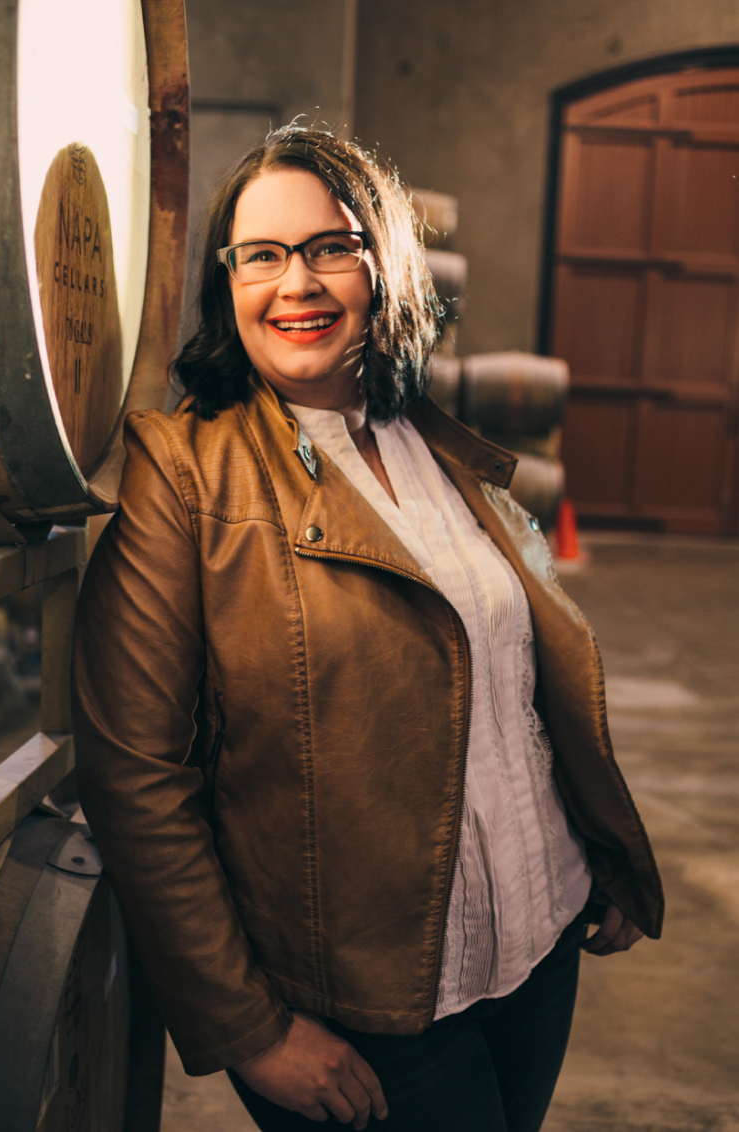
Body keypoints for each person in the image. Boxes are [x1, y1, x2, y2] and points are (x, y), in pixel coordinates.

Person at [72, 125, 663, 1132]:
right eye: (261, 255)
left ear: (379, 261)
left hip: (536, 941)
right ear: (228, 283)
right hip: (371, 1005)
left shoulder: (433, 441)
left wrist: (596, 846)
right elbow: (134, 776)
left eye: (327, 247)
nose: (293, 281)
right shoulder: (186, 475)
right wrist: (249, 1027)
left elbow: (515, 684)